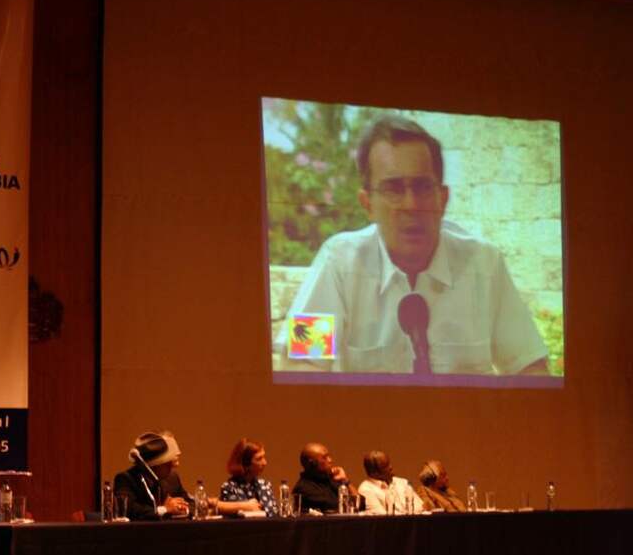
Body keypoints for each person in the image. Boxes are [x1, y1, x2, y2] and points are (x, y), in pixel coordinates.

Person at [283, 114, 549, 375]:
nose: (411, 205)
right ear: (368, 205)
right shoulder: (339, 264)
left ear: (442, 200)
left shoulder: (484, 266)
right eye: (393, 189)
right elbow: (302, 363)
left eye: (422, 187)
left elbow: (529, 368)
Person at [113, 431, 192, 520]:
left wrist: (186, 507)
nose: (174, 465)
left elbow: (188, 502)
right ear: (154, 466)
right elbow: (129, 511)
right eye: (167, 463)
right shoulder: (126, 479)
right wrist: (165, 509)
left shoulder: (172, 478)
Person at [217, 439, 278, 517]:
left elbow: (272, 513)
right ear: (245, 464)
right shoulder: (230, 488)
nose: (265, 463)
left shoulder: (265, 485)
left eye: (264, 457)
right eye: (259, 459)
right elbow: (241, 517)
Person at [291, 442, 358, 513]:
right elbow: (333, 506)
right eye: (324, 458)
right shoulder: (303, 488)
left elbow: (359, 504)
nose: (330, 460)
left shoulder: (333, 480)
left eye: (329, 456)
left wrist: (346, 480)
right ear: (312, 463)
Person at [357, 450, 423, 515]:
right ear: (374, 473)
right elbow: (381, 516)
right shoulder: (366, 490)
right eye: (385, 466)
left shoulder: (402, 482)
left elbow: (420, 507)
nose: (391, 467)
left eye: (389, 463)